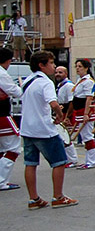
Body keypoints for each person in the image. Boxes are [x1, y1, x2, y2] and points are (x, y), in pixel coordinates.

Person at [20, 51, 76, 209]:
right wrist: (59, 115)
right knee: (59, 161)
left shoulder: (28, 81)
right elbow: (53, 103)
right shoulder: (45, 82)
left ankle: (34, 199)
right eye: (51, 63)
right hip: (43, 128)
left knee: (30, 163)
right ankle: (58, 196)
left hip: (27, 128)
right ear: (42, 65)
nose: (54, 66)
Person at [69, 59, 95, 169]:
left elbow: (89, 98)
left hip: (84, 111)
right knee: (84, 136)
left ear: (86, 68)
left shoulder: (88, 81)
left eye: (80, 66)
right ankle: (88, 160)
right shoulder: (80, 80)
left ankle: (93, 160)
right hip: (79, 111)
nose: (77, 68)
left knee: (88, 136)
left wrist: (86, 113)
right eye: (76, 66)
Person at [0, 47, 22, 191]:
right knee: (13, 148)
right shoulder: (2, 73)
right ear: (7, 61)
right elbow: (15, 91)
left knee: (2, 148)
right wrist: (20, 87)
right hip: (2, 114)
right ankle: (1, 181)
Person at [54, 66, 78, 167]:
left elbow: (71, 101)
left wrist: (68, 116)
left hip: (67, 112)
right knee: (62, 138)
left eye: (60, 72)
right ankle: (67, 158)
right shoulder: (60, 85)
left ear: (66, 74)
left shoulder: (68, 86)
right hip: (61, 111)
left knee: (66, 137)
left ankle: (72, 159)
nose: (58, 74)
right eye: (56, 72)